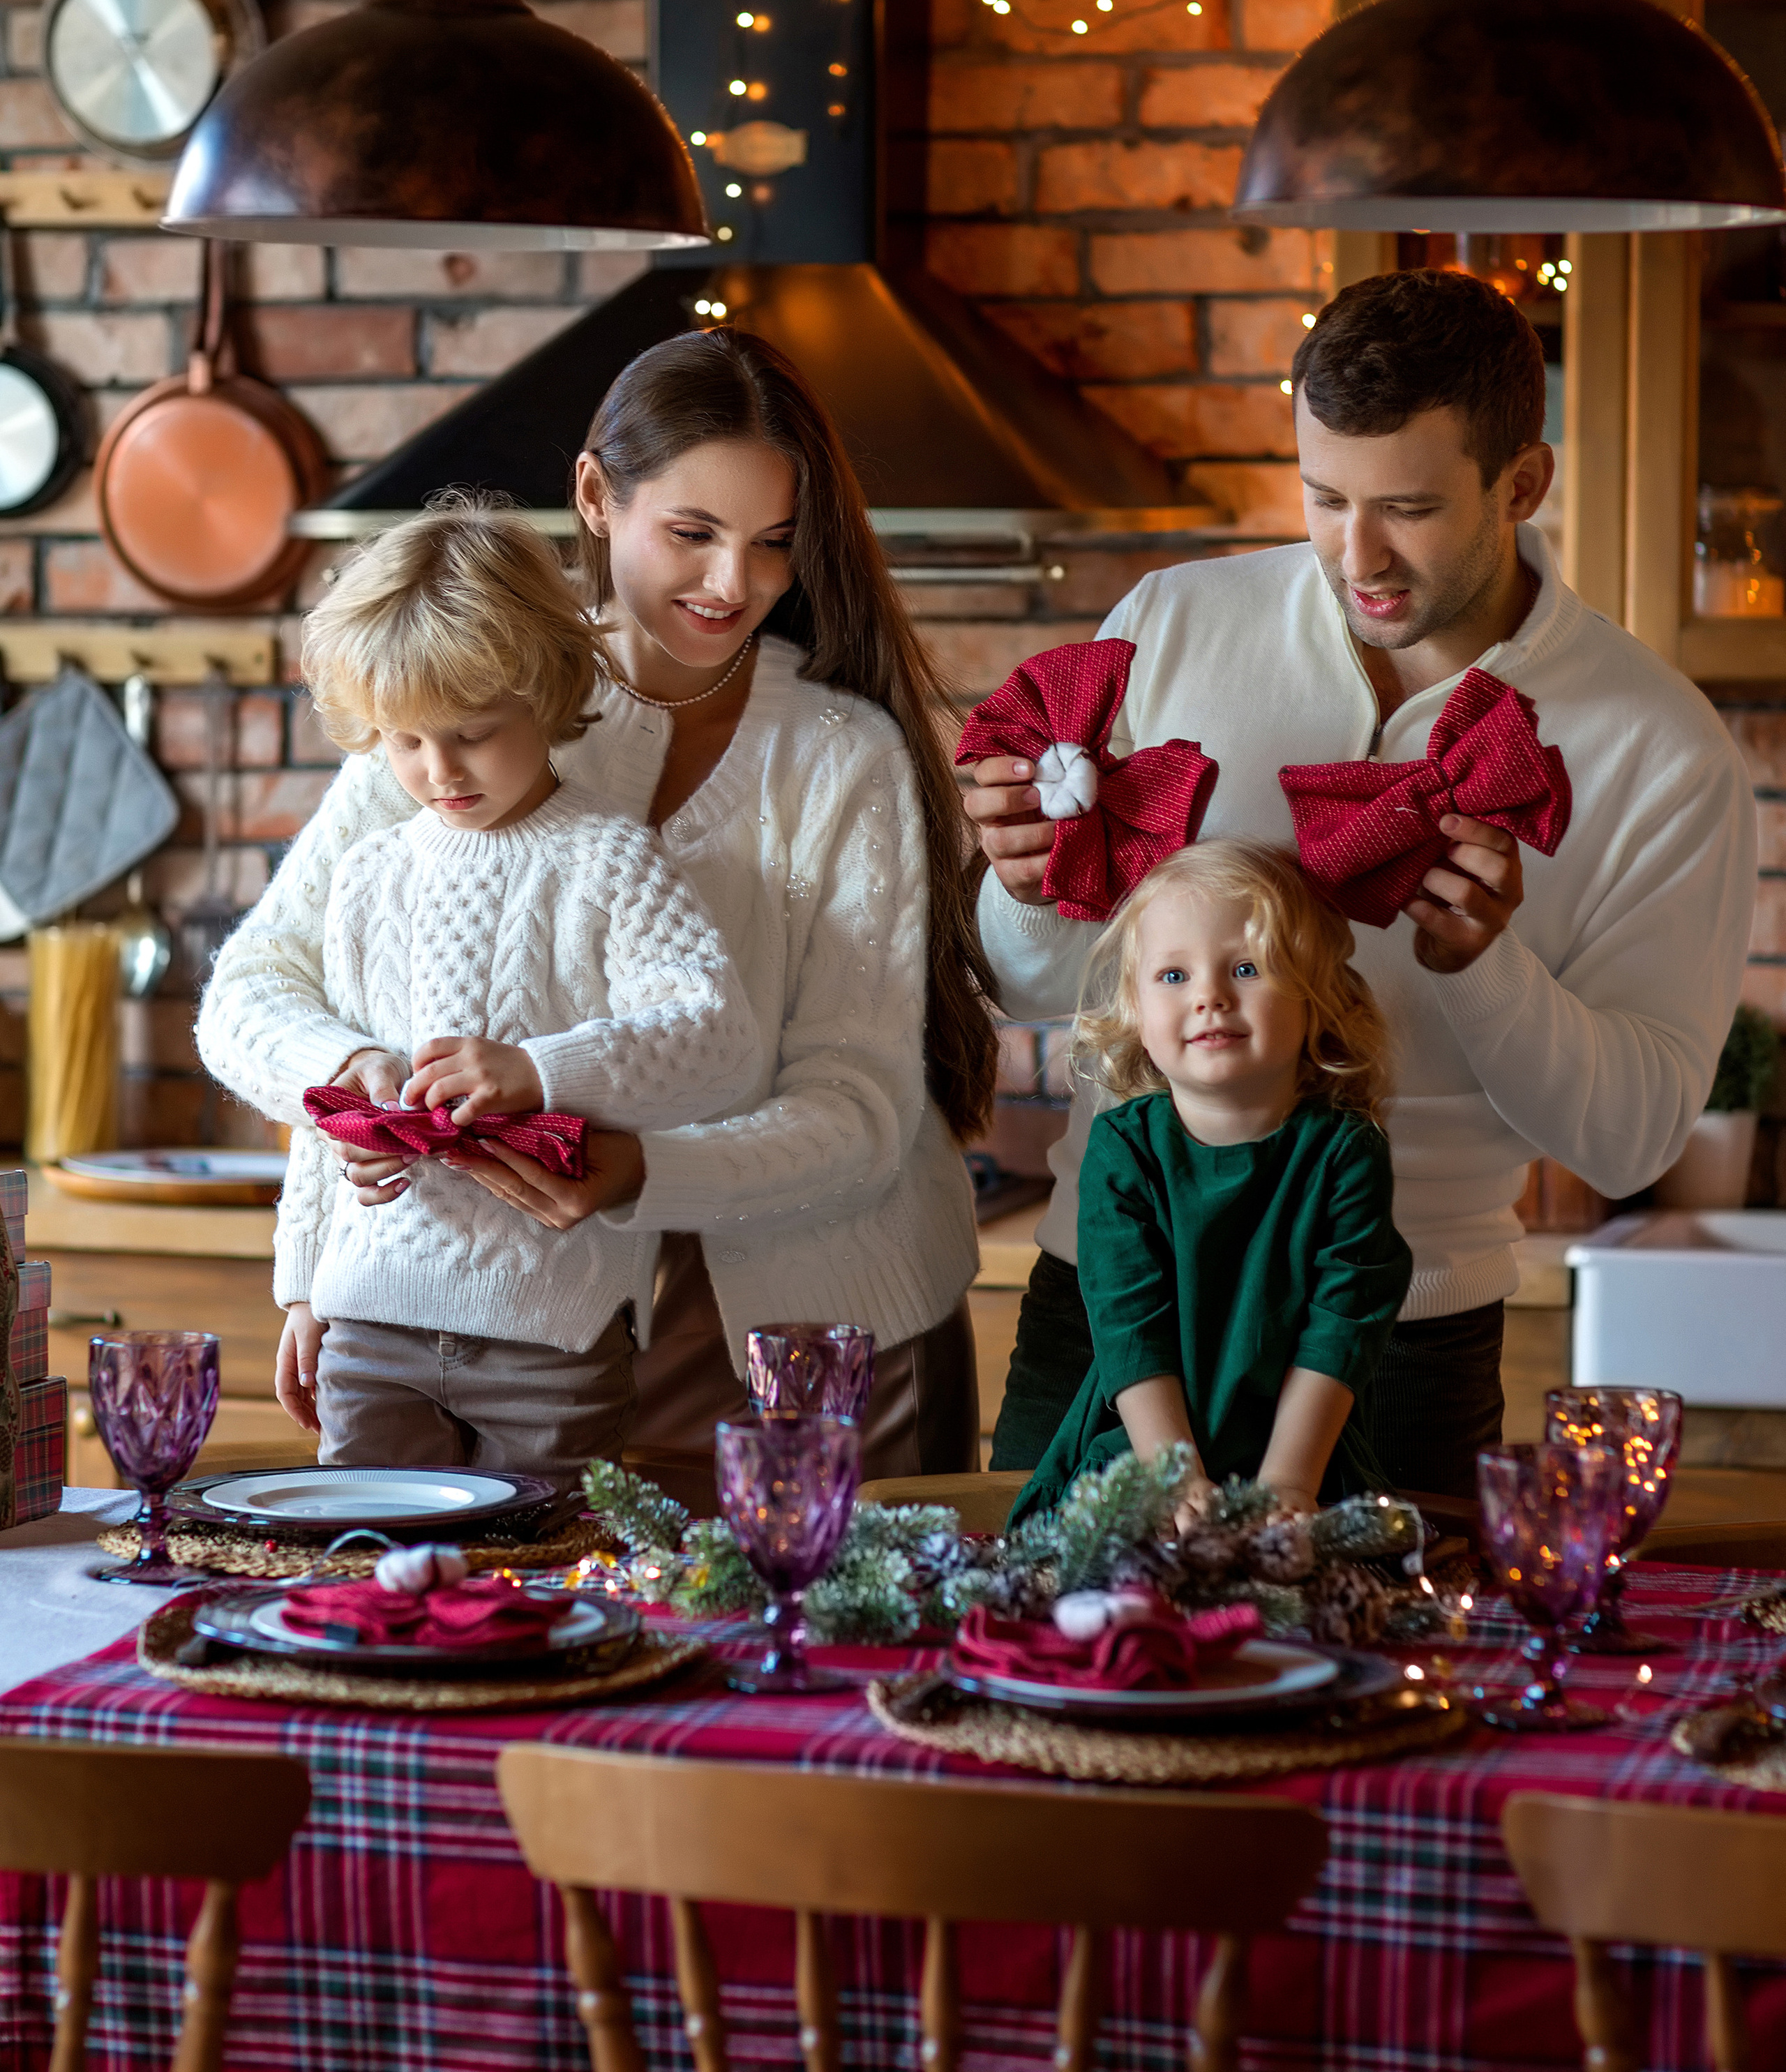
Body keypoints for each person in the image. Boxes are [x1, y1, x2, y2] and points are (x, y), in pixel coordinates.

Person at [968, 268, 1757, 1500]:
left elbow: (1637, 1133)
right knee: (1033, 1675)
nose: (1355, 553)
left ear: (1524, 484)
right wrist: (1026, 883)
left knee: (1395, 1697)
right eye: (1324, 497)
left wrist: (1490, 969)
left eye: (1407, 507)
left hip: (1404, 1335)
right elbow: (1030, 989)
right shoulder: (1171, 625)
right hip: (1119, 1301)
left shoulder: (1659, 746)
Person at [199, 330, 999, 1476]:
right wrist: (343, 1230)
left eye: (775, 545)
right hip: (502, 1322)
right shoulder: (464, 693)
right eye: (692, 534)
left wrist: (640, 1171)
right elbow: (262, 991)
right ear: (592, 496)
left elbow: (860, 1109)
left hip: (815, 1343)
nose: (737, 585)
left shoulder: (840, 755)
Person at [271, 502, 760, 1477]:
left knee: (542, 1594)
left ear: (546, 692)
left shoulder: (612, 861)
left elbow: (717, 1041)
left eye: (471, 733)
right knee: (365, 1587)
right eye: (403, 741)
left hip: (556, 1333)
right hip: (369, 1324)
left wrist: (540, 1071)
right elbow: (329, 1112)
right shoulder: (368, 875)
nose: (438, 769)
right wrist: (300, 1286)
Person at [1010, 842, 1409, 1524]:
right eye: (1172, 976)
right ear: (1134, 1009)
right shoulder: (1123, 1150)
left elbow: (1338, 1333)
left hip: (1301, 1458)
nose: (1210, 997)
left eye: (1246, 968)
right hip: (1142, 1449)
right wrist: (1175, 1477)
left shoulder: (1346, 1153)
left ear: (1318, 1000)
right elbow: (1128, 1326)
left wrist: (1287, 1485)